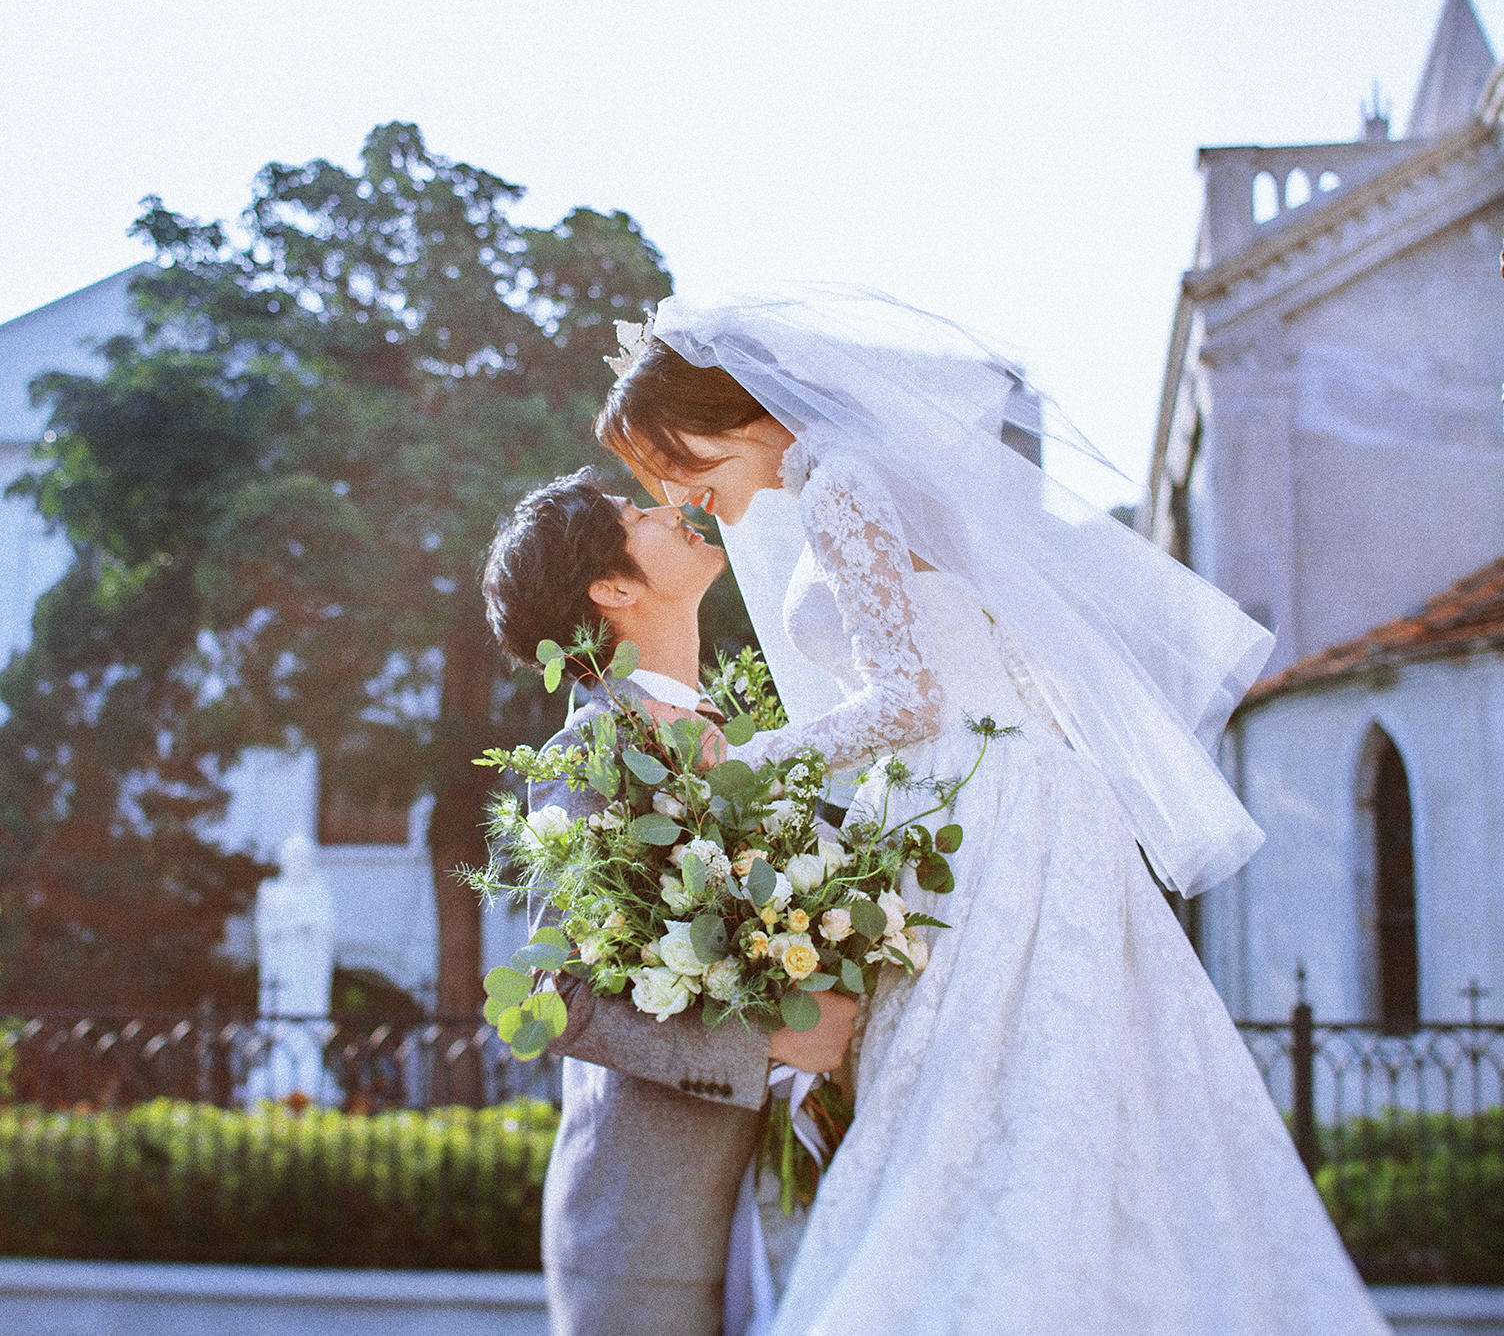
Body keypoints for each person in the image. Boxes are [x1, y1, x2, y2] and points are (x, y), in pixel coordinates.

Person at [591, 289, 1390, 1336]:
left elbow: (905, 696)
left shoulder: (837, 482)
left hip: (978, 811)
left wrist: (744, 764)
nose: (675, 489)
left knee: (971, 1099)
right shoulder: (857, 471)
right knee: (1050, 1090)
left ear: (724, 411)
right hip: (1000, 794)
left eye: (670, 455)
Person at [482, 470, 858, 1336]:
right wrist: (769, 1041)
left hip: (786, 1203)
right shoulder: (590, 756)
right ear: (612, 588)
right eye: (633, 514)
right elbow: (561, 998)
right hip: (645, 1227)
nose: (667, 506)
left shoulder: (744, 739)